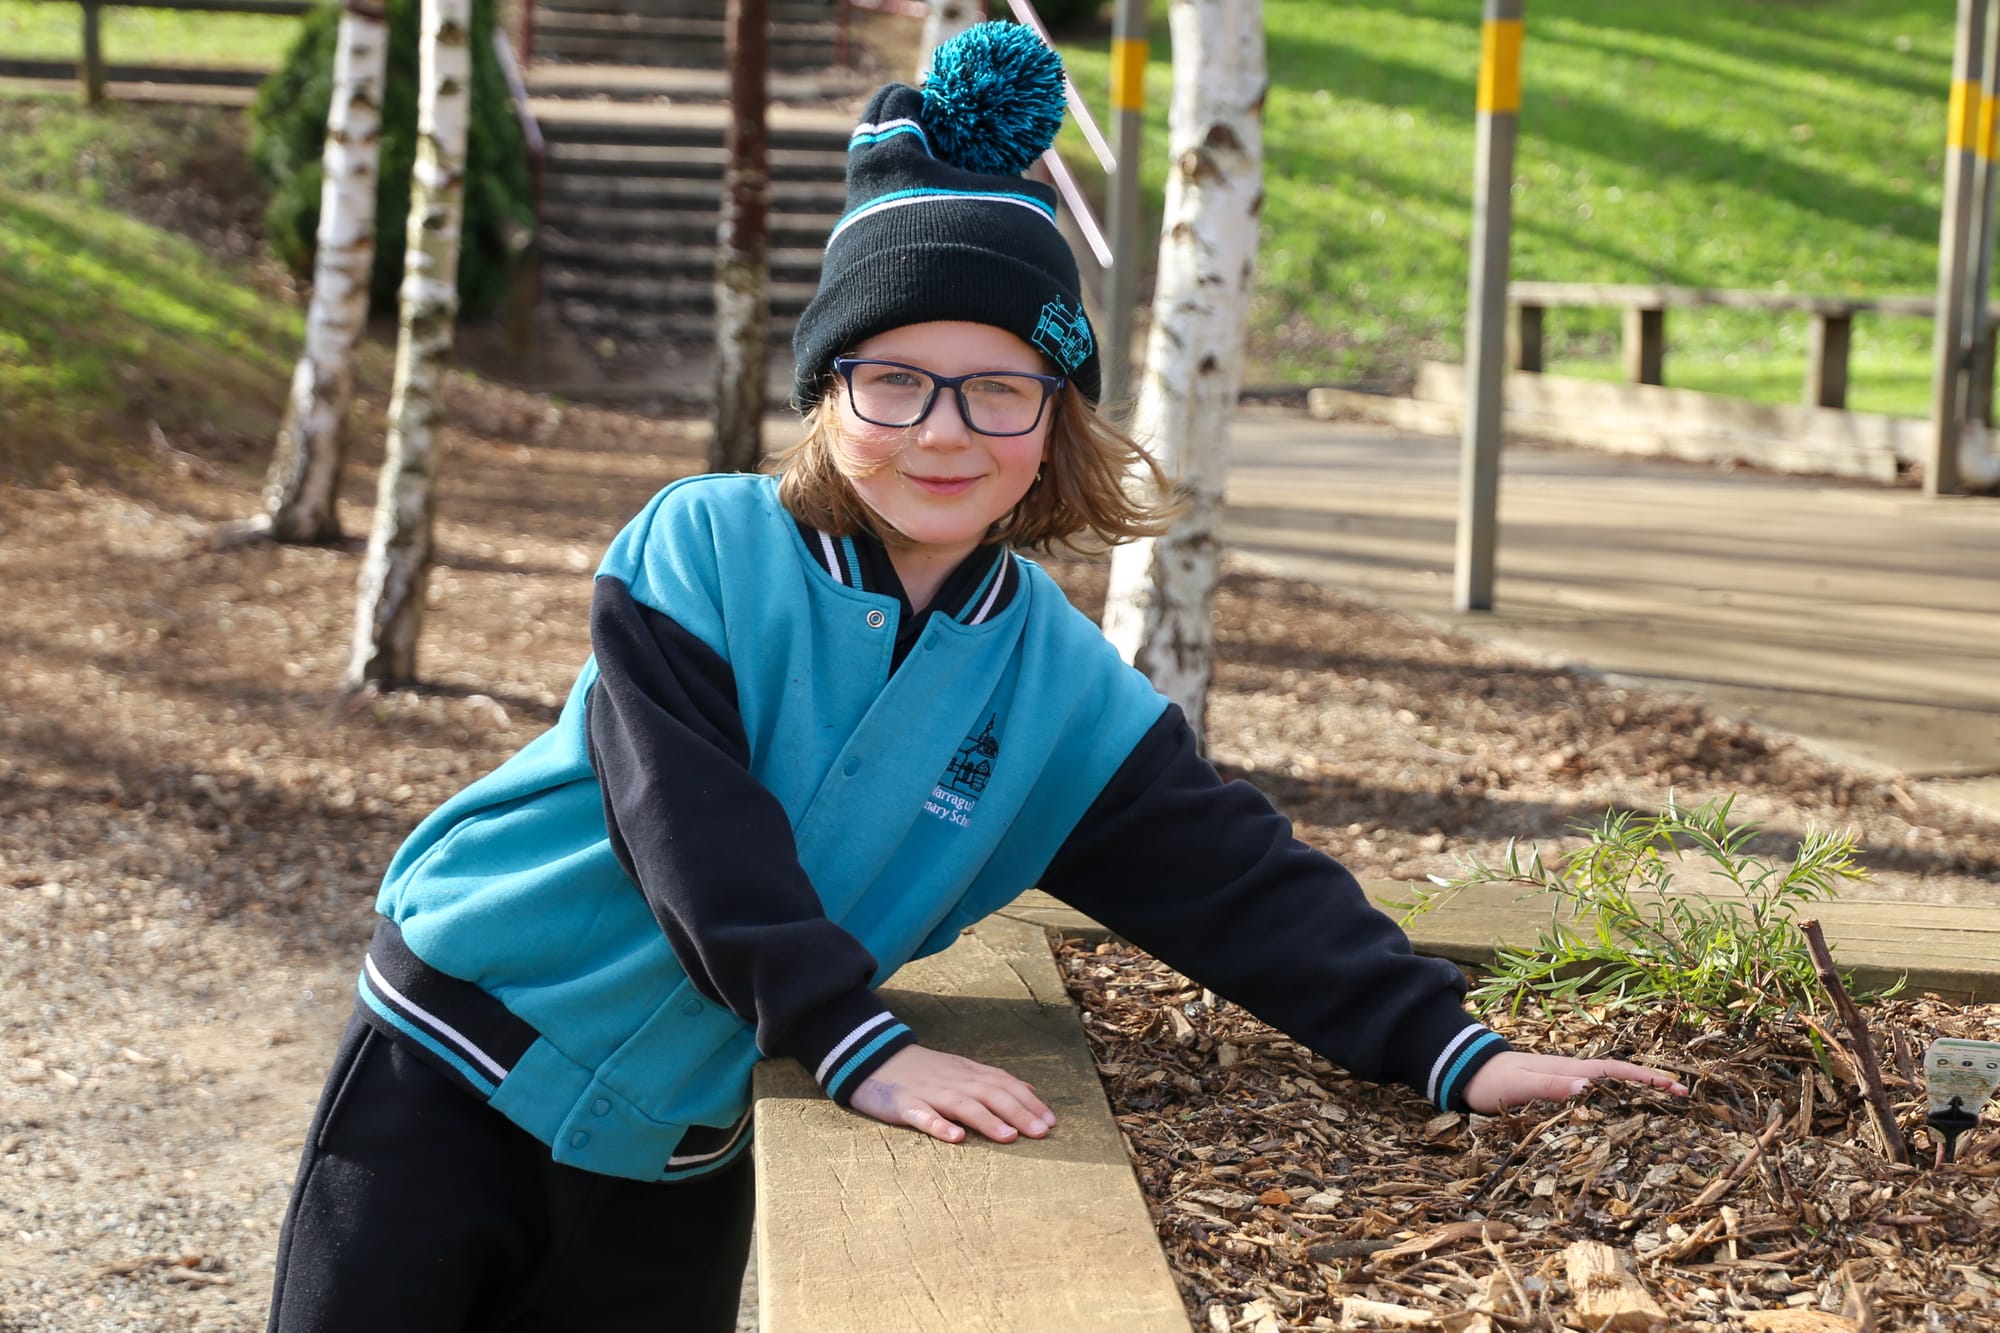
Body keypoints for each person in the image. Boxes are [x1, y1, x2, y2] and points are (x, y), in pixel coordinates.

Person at [265, 23, 1685, 1332]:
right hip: (449, 1065)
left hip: (677, 1142)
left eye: (999, 386)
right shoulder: (697, 549)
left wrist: (1447, 1043)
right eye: (893, 379)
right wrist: (854, 1042)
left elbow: (1235, 882)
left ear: (1054, 413)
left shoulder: (1061, 690)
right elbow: (694, 833)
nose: (942, 431)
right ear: (831, 392)